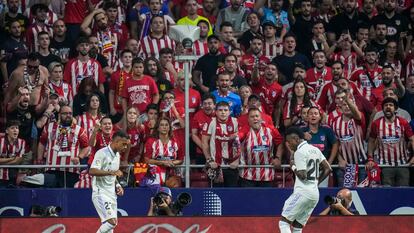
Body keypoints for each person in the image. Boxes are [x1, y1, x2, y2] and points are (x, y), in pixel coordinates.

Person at [279, 127, 331, 233]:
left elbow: (303, 175)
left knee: (284, 223)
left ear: (296, 139)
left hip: (303, 192)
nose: (288, 145)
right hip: (314, 194)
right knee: (297, 227)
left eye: (289, 142)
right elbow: (328, 169)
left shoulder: (300, 152)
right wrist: (317, 182)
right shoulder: (315, 149)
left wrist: (292, 166)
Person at [37, 105, 89, 187]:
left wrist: (79, 157)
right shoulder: (49, 127)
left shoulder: (79, 130)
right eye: (65, 113)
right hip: (52, 169)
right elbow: (42, 143)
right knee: (52, 195)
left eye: (70, 113)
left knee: (69, 196)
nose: (68, 115)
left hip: (71, 170)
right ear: (59, 115)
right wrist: (39, 159)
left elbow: (86, 146)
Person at [90, 130, 130, 233]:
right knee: (112, 222)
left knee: (110, 227)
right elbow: (92, 171)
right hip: (100, 193)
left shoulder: (117, 155)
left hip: (111, 194)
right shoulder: (101, 153)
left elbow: (113, 175)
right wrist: (111, 173)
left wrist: (117, 185)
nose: (125, 147)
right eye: (124, 144)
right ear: (116, 142)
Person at [368, 98, 414, 186]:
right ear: (382, 109)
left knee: (403, 192)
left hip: (402, 165)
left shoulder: (403, 122)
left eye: (391, 105)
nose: (388, 107)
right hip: (385, 166)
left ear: (395, 109)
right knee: (387, 192)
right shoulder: (376, 124)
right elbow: (371, 141)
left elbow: (412, 139)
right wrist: (370, 158)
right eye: (386, 105)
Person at [238, 108, 283, 187]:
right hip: (247, 175)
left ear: (261, 118)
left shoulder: (271, 129)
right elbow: (236, 142)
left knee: (266, 199)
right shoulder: (244, 130)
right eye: (252, 117)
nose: (255, 118)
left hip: (267, 175)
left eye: (257, 116)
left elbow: (280, 143)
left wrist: (278, 158)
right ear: (248, 120)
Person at [202, 101, 239, 187]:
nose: (223, 112)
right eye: (220, 110)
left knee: (231, 195)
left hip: (231, 165)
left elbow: (240, 143)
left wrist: (237, 160)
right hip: (215, 165)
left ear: (230, 112)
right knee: (215, 195)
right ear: (216, 112)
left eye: (225, 110)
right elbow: (204, 142)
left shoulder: (236, 122)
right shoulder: (210, 122)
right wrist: (209, 160)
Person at [0, 120, 28, 187]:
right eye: (12, 128)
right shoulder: (1, 141)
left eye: (17, 128)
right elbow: (15, 160)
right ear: (7, 131)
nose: (15, 130)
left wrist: (2, 163)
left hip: (13, 177)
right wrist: (12, 158)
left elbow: (18, 161)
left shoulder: (22, 142)